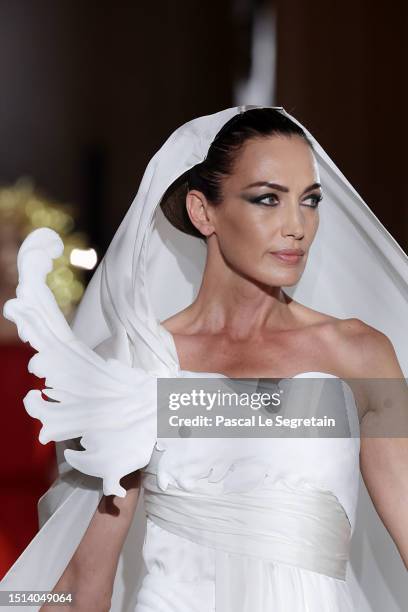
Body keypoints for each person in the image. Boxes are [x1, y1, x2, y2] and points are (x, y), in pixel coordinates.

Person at [1, 106, 408, 612]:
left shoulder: (361, 357)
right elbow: (80, 588)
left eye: (310, 201)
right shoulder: (135, 366)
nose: (297, 226)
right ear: (203, 212)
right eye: (267, 199)